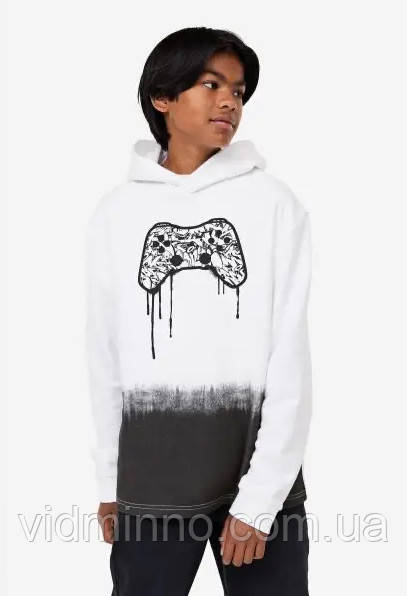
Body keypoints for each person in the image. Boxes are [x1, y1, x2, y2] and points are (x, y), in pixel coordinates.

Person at [85, 26, 313, 595]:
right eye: (212, 84)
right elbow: (105, 356)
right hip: (151, 475)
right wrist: (110, 481)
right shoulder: (116, 213)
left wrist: (260, 501)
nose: (229, 101)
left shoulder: (273, 204)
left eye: (238, 90)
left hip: (255, 470)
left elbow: (290, 356)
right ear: (163, 97)